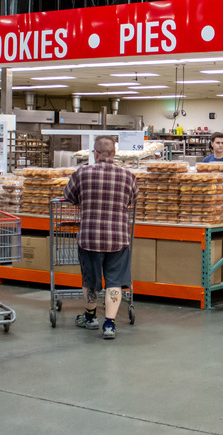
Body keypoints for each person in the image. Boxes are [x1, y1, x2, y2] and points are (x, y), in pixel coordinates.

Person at [64, 135, 138, 340]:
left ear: (95, 153)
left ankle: (90, 317)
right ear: (115, 153)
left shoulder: (82, 173)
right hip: (118, 238)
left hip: (90, 237)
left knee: (91, 280)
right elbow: (132, 199)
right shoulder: (128, 176)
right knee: (114, 282)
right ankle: (109, 324)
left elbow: (69, 196)